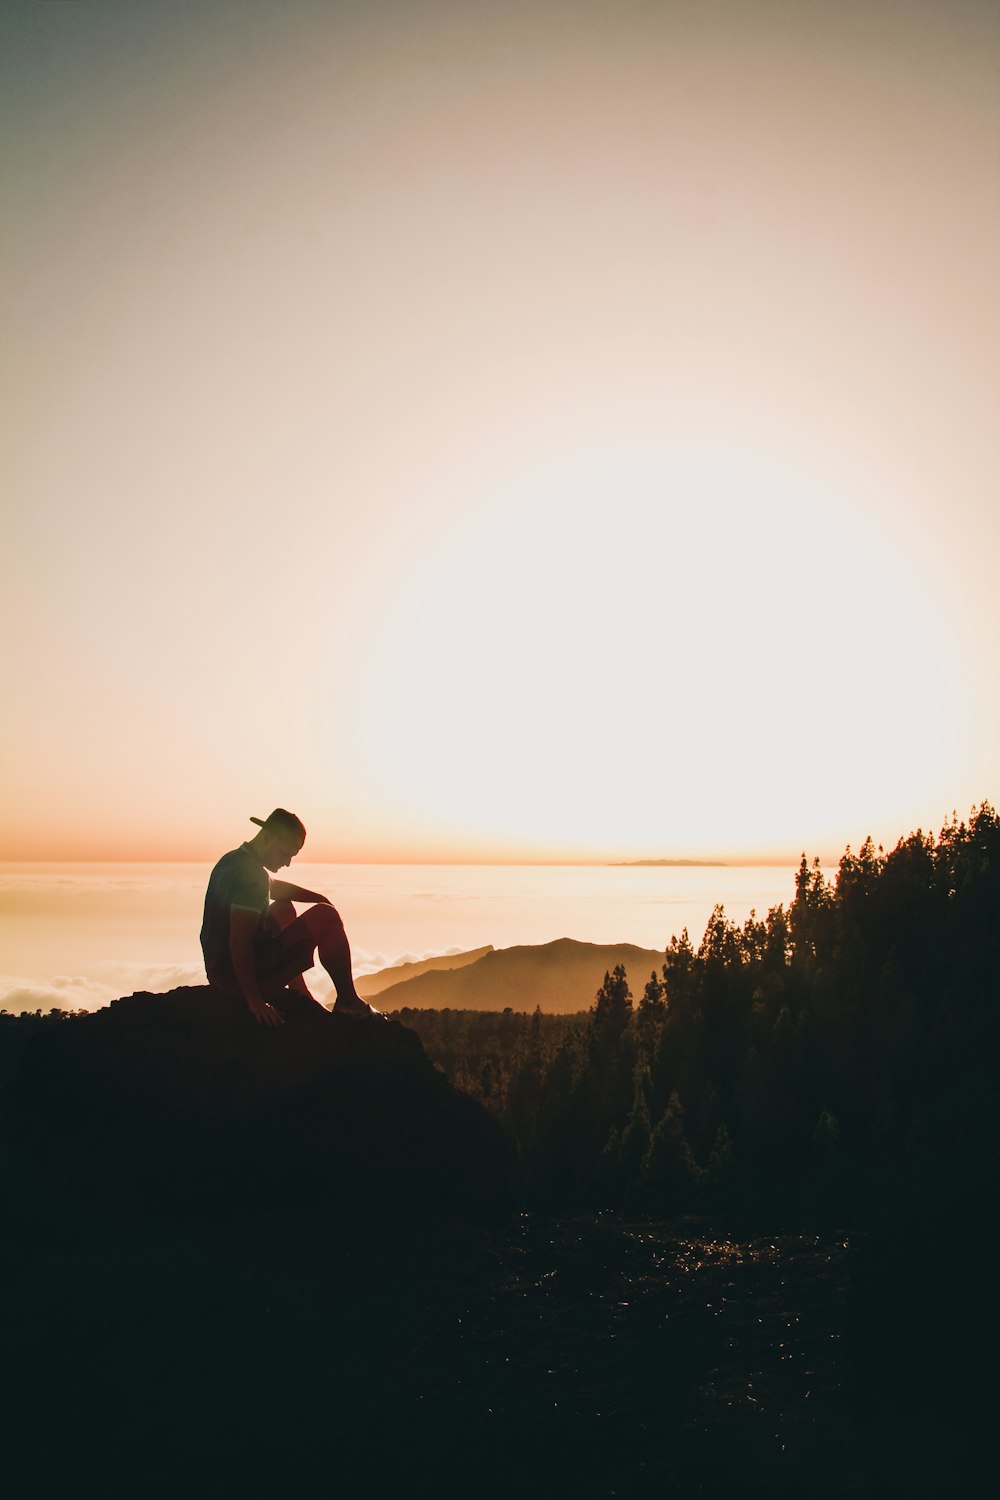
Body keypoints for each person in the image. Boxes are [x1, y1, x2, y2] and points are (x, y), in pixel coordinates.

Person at [200, 808, 379, 1026]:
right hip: (239, 982)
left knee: (283, 908)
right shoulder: (253, 875)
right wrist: (255, 1002)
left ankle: (300, 993)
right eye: (286, 854)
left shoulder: (233, 861)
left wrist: (317, 897)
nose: (287, 863)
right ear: (268, 839)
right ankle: (349, 1002)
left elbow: (270, 888)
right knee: (327, 917)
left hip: (219, 973)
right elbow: (239, 942)